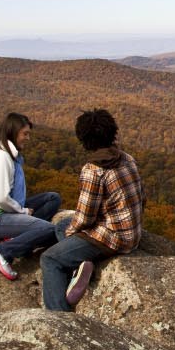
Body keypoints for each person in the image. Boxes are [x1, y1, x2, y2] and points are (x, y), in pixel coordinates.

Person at [40, 108, 145, 311]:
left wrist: (73, 232)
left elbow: (85, 217)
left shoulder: (94, 171)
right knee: (61, 225)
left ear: (84, 140)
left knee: (50, 258)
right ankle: (80, 267)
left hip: (113, 239)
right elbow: (142, 198)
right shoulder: (127, 158)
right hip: (133, 232)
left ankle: (60, 320)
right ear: (112, 133)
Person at [0, 112, 60, 280]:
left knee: (52, 198)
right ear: (13, 133)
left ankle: (17, 235)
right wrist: (23, 211)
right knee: (48, 229)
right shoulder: (1, 157)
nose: (28, 138)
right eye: (25, 134)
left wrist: (21, 210)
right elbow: (0, 198)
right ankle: (3, 252)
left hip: (4, 210)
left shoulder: (8, 155)